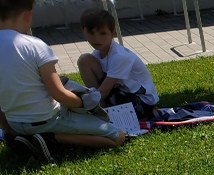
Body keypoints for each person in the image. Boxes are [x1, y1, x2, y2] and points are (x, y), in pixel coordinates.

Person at [0, 0, 125, 163]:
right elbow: (58, 94)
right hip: (48, 120)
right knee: (118, 137)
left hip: (15, 123)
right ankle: (51, 138)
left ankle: (25, 137)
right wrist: (84, 103)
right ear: (28, 15)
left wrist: (9, 130)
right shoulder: (34, 45)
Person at [76, 9, 159, 120]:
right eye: (91, 33)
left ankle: (100, 110)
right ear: (83, 32)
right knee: (84, 60)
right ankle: (100, 108)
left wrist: (79, 102)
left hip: (142, 101)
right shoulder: (96, 55)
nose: (96, 39)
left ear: (113, 33)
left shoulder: (120, 56)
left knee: (89, 102)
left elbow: (104, 91)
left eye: (103, 33)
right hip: (120, 93)